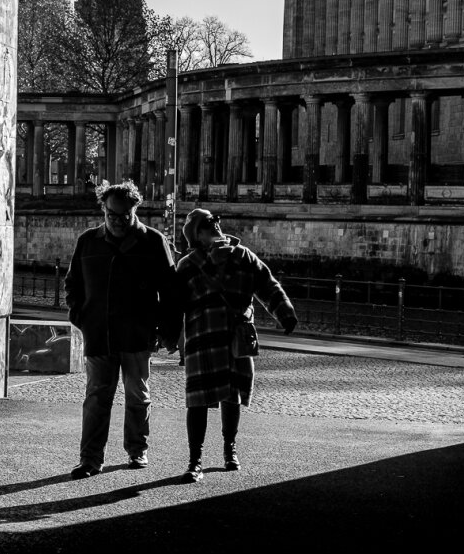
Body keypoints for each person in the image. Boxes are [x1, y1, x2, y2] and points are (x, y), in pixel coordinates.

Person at [64, 180, 185, 479]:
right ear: (103, 210)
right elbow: (72, 284)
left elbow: (171, 291)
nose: (117, 221)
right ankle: (90, 459)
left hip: (137, 333)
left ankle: (137, 449)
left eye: (123, 215)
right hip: (100, 332)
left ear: (135, 210)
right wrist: (82, 316)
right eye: (111, 215)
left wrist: (167, 330)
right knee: (96, 398)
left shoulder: (153, 241)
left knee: (138, 395)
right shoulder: (88, 241)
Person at [175, 207, 298, 481]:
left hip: (235, 338)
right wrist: (166, 336)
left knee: (233, 395)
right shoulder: (188, 265)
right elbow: (174, 305)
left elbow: (268, 285)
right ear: (197, 236)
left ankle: (230, 449)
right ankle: (195, 461)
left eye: (214, 222)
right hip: (202, 339)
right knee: (197, 400)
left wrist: (285, 313)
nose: (214, 226)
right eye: (207, 225)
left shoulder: (243, 256)